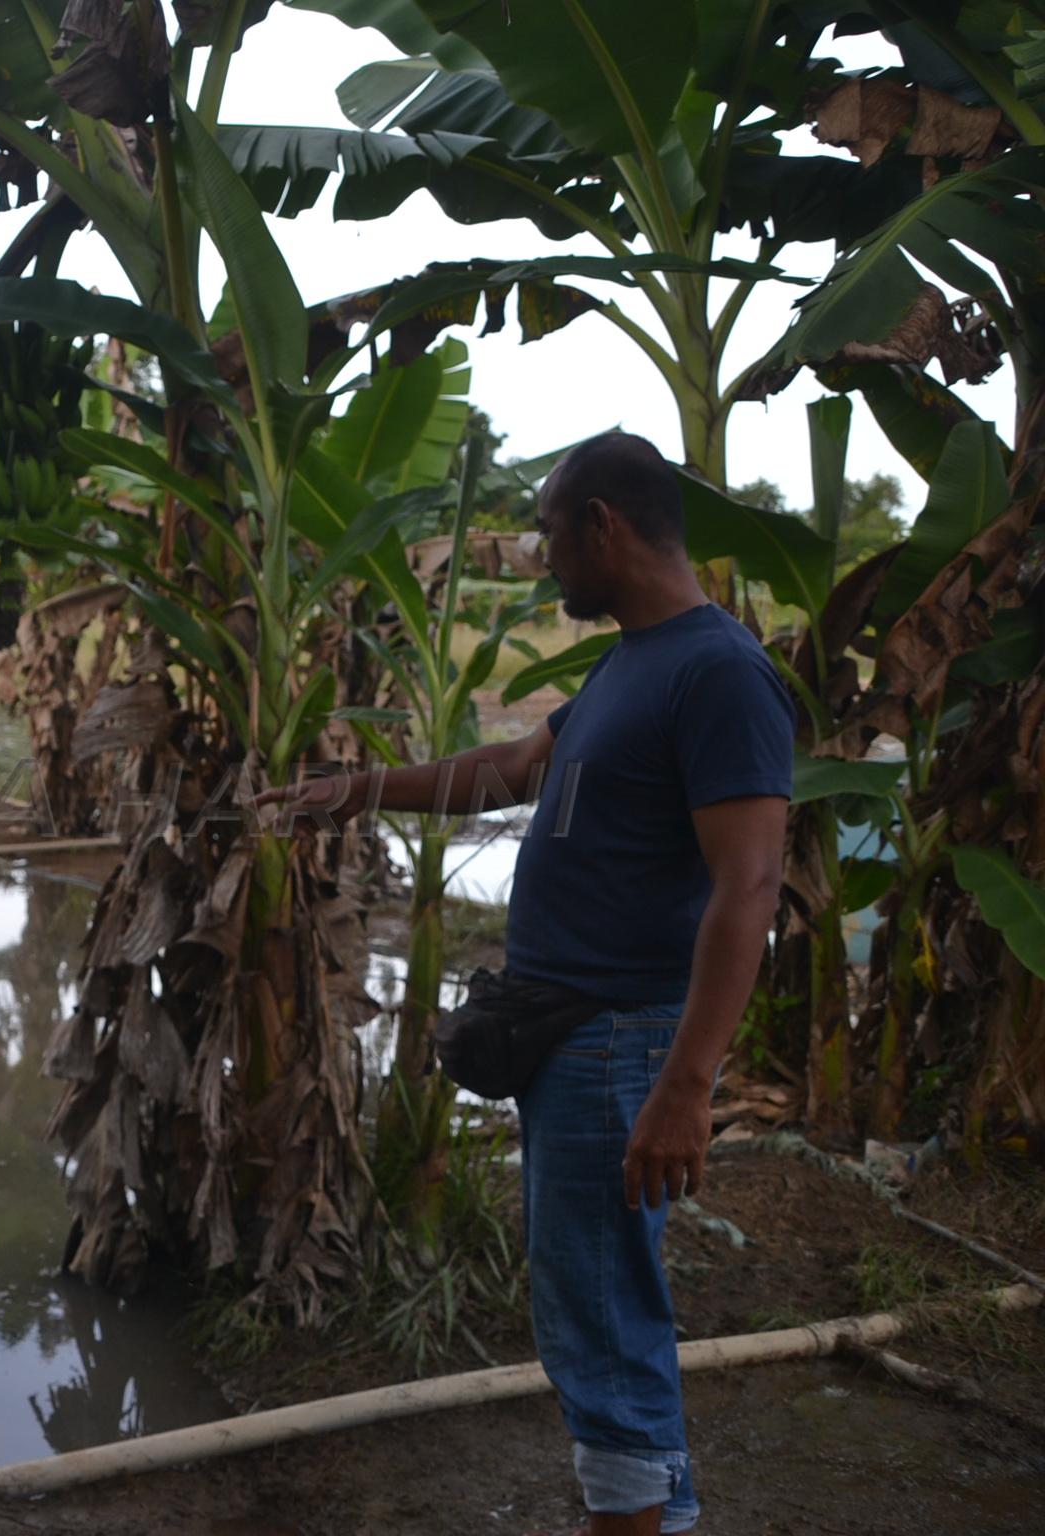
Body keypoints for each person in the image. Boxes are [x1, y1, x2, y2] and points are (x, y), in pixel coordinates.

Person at [257, 431, 794, 1535]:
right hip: (573, 1037)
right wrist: (354, 789)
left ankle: (636, 1516)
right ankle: (660, 1513)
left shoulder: (717, 672)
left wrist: (688, 1084)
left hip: (620, 1040)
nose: (544, 559)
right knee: (604, 1303)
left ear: (602, 525)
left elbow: (751, 887)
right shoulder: (628, 663)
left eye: (550, 534)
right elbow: (506, 769)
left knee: (595, 1312)